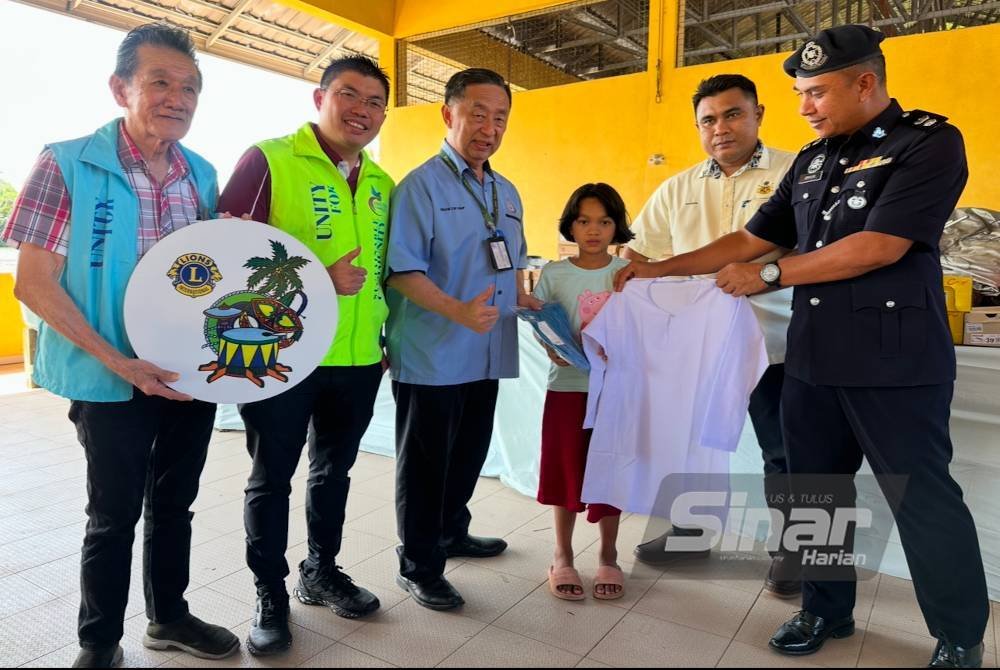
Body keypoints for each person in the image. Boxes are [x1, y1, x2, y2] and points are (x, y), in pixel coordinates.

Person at [615, 24, 989, 669]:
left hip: (894, 360)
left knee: (921, 495)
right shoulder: (814, 162)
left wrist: (770, 275)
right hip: (812, 358)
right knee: (813, 493)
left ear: (865, 82)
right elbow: (751, 238)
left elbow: (880, 245)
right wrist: (660, 268)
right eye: (799, 94)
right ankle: (824, 609)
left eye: (815, 92)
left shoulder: (926, 143)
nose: (804, 107)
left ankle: (959, 634)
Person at [2, 23, 240, 668]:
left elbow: (208, 275)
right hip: (110, 376)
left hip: (188, 377)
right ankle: (99, 641)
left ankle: (170, 618)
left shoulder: (203, 173)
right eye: (160, 81)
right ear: (120, 88)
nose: (178, 97)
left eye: (189, 86)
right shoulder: (67, 161)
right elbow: (34, 281)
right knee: (112, 516)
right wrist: (121, 362)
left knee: (176, 505)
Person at [216, 56, 393, 654]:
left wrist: (382, 336)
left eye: (375, 102)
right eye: (349, 94)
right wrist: (317, 277)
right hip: (280, 355)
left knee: (333, 472)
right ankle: (270, 592)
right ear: (319, 97)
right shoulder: (268, 160)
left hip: (358, 358)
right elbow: (223, 259)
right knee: (272, 479)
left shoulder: (380, 184)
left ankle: (321, 569)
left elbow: (382, 275)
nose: (362, 110)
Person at [622, 74, 800, 597]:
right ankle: (690, 531)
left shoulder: (794, 170)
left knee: (784, 448)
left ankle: (792, 552)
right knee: (692, 445)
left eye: (732, 114)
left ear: (759, 113)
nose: (720, 128)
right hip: (696, 346)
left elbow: (809, 248)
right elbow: (640, 255)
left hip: (776, 341)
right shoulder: (677, 188)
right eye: (708, 120)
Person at [385, 67, 542, 611]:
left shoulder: (507, 190)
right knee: (425, 463)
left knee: (469, 452)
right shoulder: (419, 186)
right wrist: (456, 309)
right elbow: (401, 270)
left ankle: (452, 532)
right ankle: (419, 564)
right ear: (448, 113)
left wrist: (528, 301)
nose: (489, 127)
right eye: (478, 113)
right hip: (433, 353)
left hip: (488, 350)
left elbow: (513, 265)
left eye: (501, 117)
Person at [532, 183, 633, 601]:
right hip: (568, 389)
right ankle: (562, 555)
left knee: (610, 473)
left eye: (604, 221)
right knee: (565, 471)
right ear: (570, 225)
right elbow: (539, 321)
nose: (594, 230)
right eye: (584, 221)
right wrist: (552, 347)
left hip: (616, 392)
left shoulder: (628, 273)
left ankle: (609, 555)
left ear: (617, 227)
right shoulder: (554, 273)